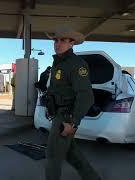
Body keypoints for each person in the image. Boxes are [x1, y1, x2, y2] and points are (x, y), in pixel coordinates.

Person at [45, 26, 101, 180]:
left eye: (63, 40)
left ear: (72, 43)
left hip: (66, 117)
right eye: (56, 40)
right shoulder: (59, 63)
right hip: (58, 114)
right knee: (71, 154)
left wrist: (73, 122)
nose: (57, 43)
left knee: (52, 156)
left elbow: (86, 96)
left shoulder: (76, 64)